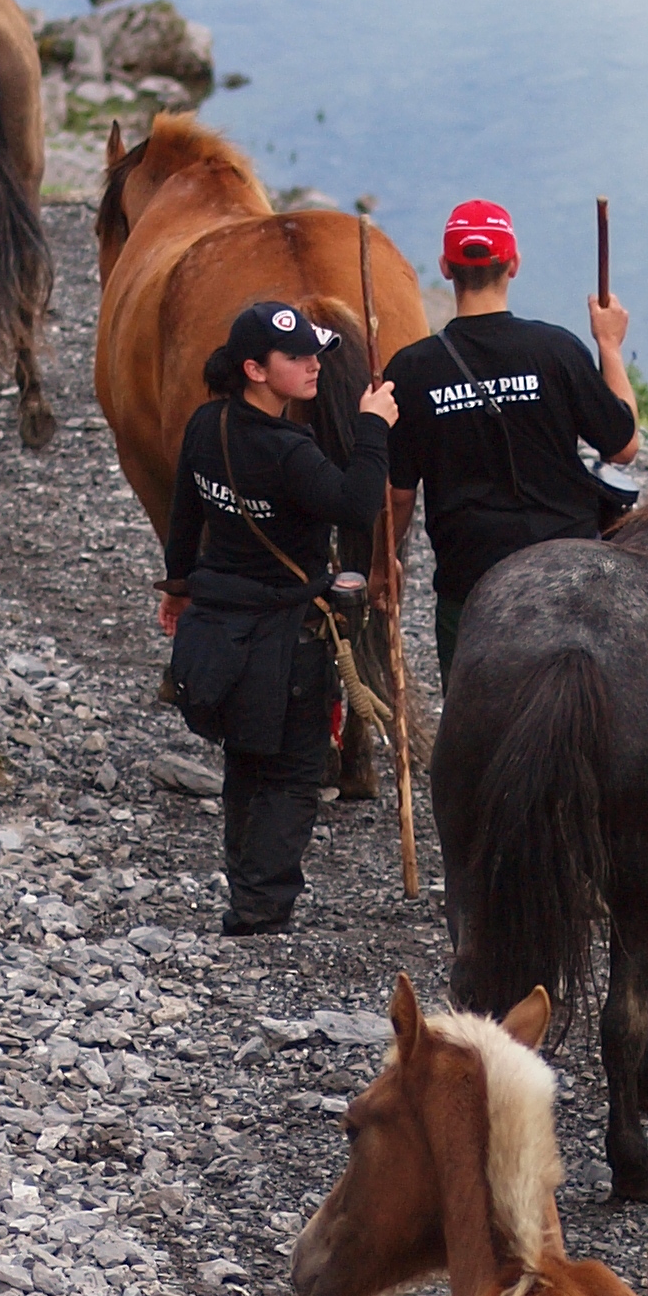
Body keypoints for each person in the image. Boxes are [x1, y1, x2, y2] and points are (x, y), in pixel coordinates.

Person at [160, 299, 398, 937]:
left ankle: (248, 888)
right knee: (293, 770)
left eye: (316, 352)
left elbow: (185, 514)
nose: (315, 364)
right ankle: (261, 905)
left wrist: (178, 587)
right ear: (255, 369)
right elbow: (356, 504)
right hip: (288, 635)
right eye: (297, 356)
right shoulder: (291, 452)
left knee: (245, 758)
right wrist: (373, 426)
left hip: (221, 625)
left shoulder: (207, 425)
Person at [382, 197, 640, 680]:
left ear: (445, 268)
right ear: (514, 264)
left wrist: (383, 565)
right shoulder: (556, 349)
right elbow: (623, 445)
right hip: (565, 569)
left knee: (473, 714)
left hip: (470, 581)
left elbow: (398, 495)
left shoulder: (412, 369)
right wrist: (609, 345)